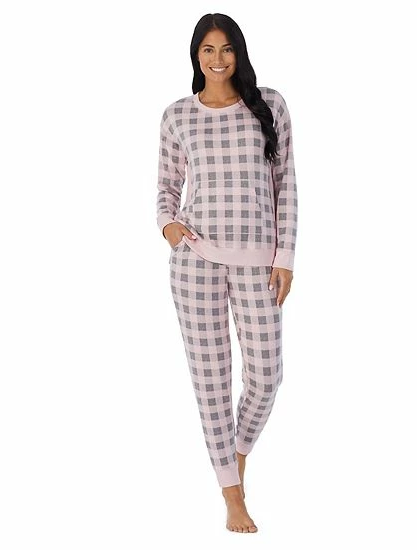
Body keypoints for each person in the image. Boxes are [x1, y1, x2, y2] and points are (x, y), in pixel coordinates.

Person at [155, 13, 298, 533]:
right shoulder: (177, 115)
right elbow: (166, 186)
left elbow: (286, 186)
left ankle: (236, 452)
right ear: (196, 56)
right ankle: (232, 495)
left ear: (239, 52)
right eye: (208, 50)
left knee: (266, 376)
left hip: (258, 263)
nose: (218, 60)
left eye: (226, 49)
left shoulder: (269, 106)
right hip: (195, 262)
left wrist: (285, 258)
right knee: (211, 381)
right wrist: (170, 227)